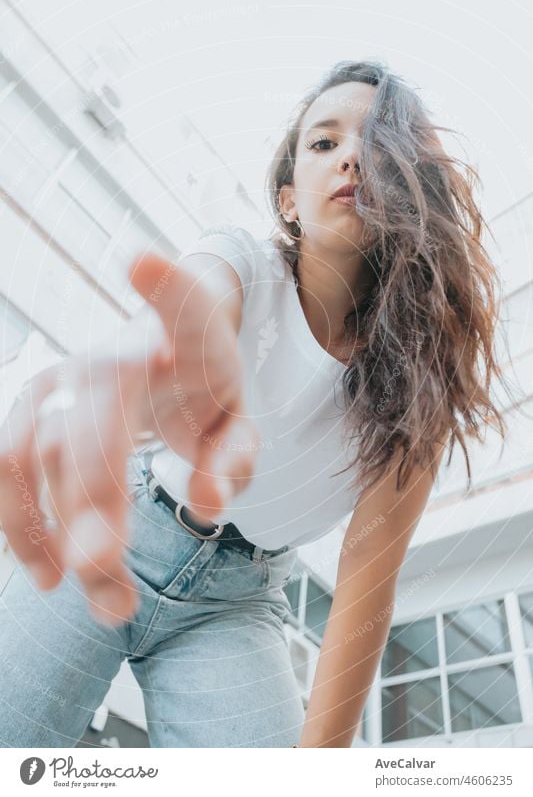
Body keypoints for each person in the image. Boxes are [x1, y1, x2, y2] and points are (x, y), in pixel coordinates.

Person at [0, 60, 507, 748]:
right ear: (290, 199)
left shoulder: (418, 390)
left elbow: (367, 578)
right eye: (323, 143)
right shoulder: (238, 260)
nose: (351, 156)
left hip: (235, 606)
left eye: (376, 143)